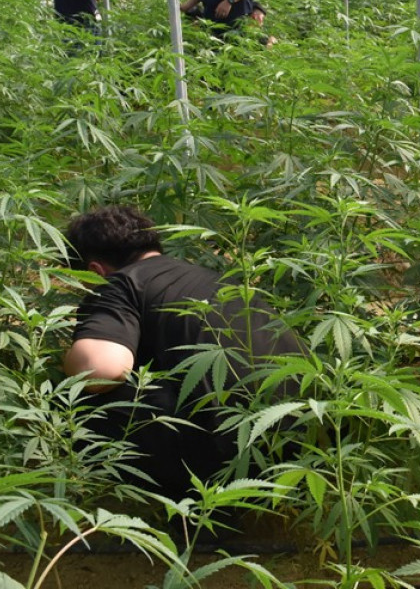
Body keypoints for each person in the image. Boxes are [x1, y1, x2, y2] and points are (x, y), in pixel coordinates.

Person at [62, 205, 304, 500]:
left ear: (95, 271)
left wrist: (65, 360)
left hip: (228, 463)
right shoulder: (216, 279)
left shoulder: (121, 283)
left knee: (74, 398)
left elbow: (101, 371)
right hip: (300, 452)